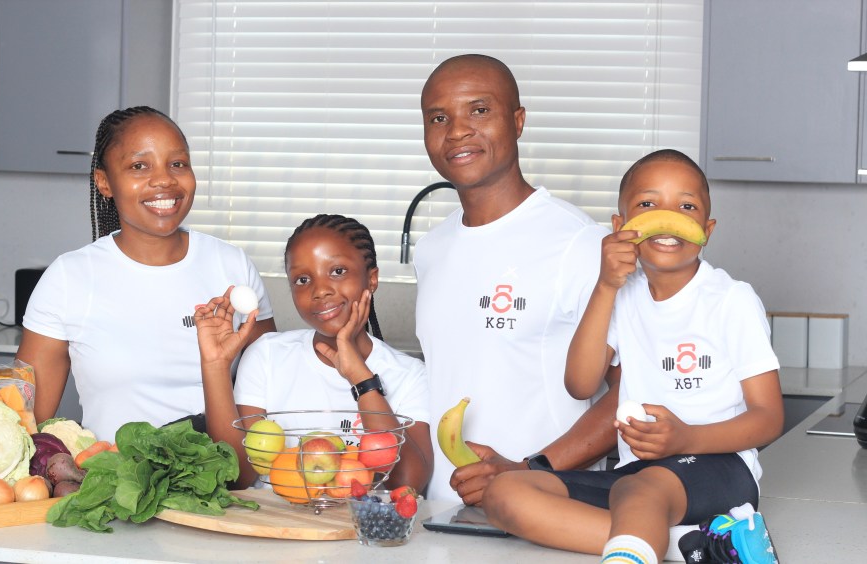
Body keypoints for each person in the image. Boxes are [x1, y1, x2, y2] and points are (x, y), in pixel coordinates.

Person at [0, 107, 279, 499]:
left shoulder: (231, 266)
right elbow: (18, 414)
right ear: (104, 182)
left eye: (178, 163)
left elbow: (272, 398)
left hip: (229, 498)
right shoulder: (72, 278)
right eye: (139, 166)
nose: (164, 180)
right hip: (117, 497)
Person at [483, 149, 783, 563]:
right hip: (636, 474)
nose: (668, 216)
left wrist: (686, 438)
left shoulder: (731, 299)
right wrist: (606, 285)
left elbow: (769, 418)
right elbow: (580, 384)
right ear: (620, 226)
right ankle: (692, 545)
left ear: (706, 229)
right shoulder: (622, 294)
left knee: (639, 491)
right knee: (505, 492)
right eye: (648, 204)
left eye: (686, 206)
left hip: (719, 465)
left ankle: (641, 545)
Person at [414, 54, 619, 504]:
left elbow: (633, 391)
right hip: (444, 515)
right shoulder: (430, 249)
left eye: (479, 110)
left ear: (518, 121)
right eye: (439, 118)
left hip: (548, 507)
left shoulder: (580, 243)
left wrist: (530, 470)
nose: (457, 131)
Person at [195, 214, 433, 492]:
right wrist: (215, 364)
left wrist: (361, 378)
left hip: (358, 521)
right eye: (303, 279)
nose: (320, 290)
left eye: (338, 271)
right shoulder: (268, 355)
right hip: (276, 518)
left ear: (371, 279)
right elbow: (237, 477)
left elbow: (406, 483)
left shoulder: (409, 375)